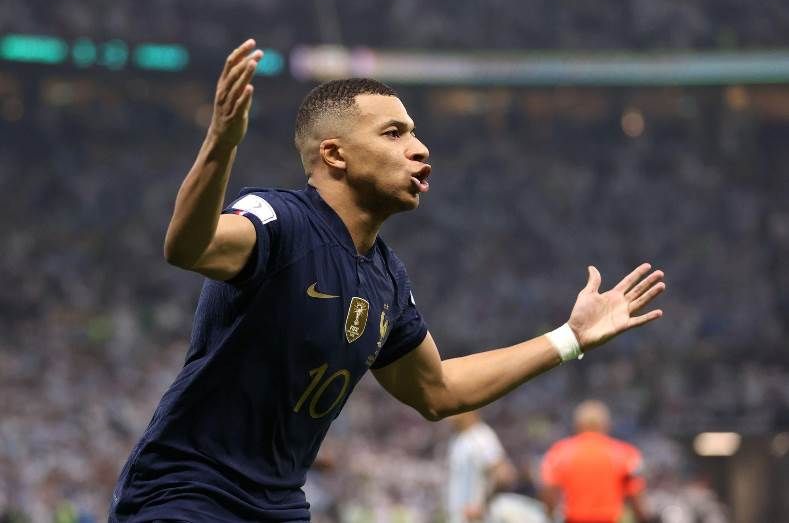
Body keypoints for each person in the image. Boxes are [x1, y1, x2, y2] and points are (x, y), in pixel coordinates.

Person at [109, 39, 666, 522]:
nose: (419, 148)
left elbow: (437, 391)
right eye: (394, 133)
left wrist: (570, 337)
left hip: (278, 506)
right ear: (335, 155)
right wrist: (222, 142)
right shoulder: (281, 220)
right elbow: (190, 246)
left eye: (414, 133)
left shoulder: (386, 279)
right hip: (187, 495)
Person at [540, 400, 649, 523]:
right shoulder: (624, 453)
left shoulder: (561, 451)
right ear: (606, 425)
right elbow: (636, 495)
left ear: (577, 425)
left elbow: (549, 489)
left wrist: (549, 515)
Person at [446, 411, 548, 523]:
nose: (449, 417)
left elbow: (503, 474)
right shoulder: (459, 438)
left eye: (454, 412)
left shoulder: (481, 436)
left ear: (469, 411)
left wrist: (482, 505)